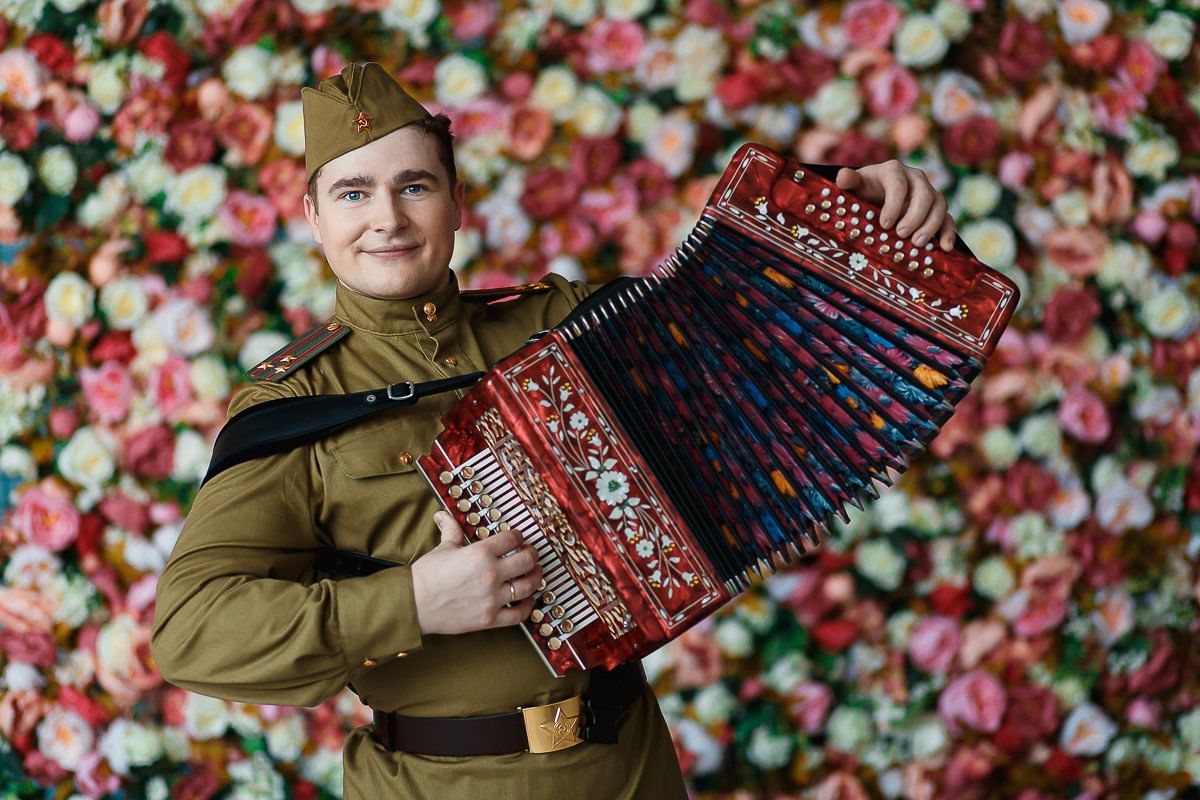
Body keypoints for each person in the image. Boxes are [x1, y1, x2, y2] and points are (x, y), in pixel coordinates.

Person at [151, 62, 959, 799]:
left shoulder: (563, 323)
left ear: (457, 201)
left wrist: (870, 218)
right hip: (441, 787)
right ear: (314, 217)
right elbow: (190, 634)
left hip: (633, 769)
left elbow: (759, 330)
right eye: (354, 193)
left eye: (415, 186)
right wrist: (413, 601)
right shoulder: (294, 406)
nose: (387, 219)